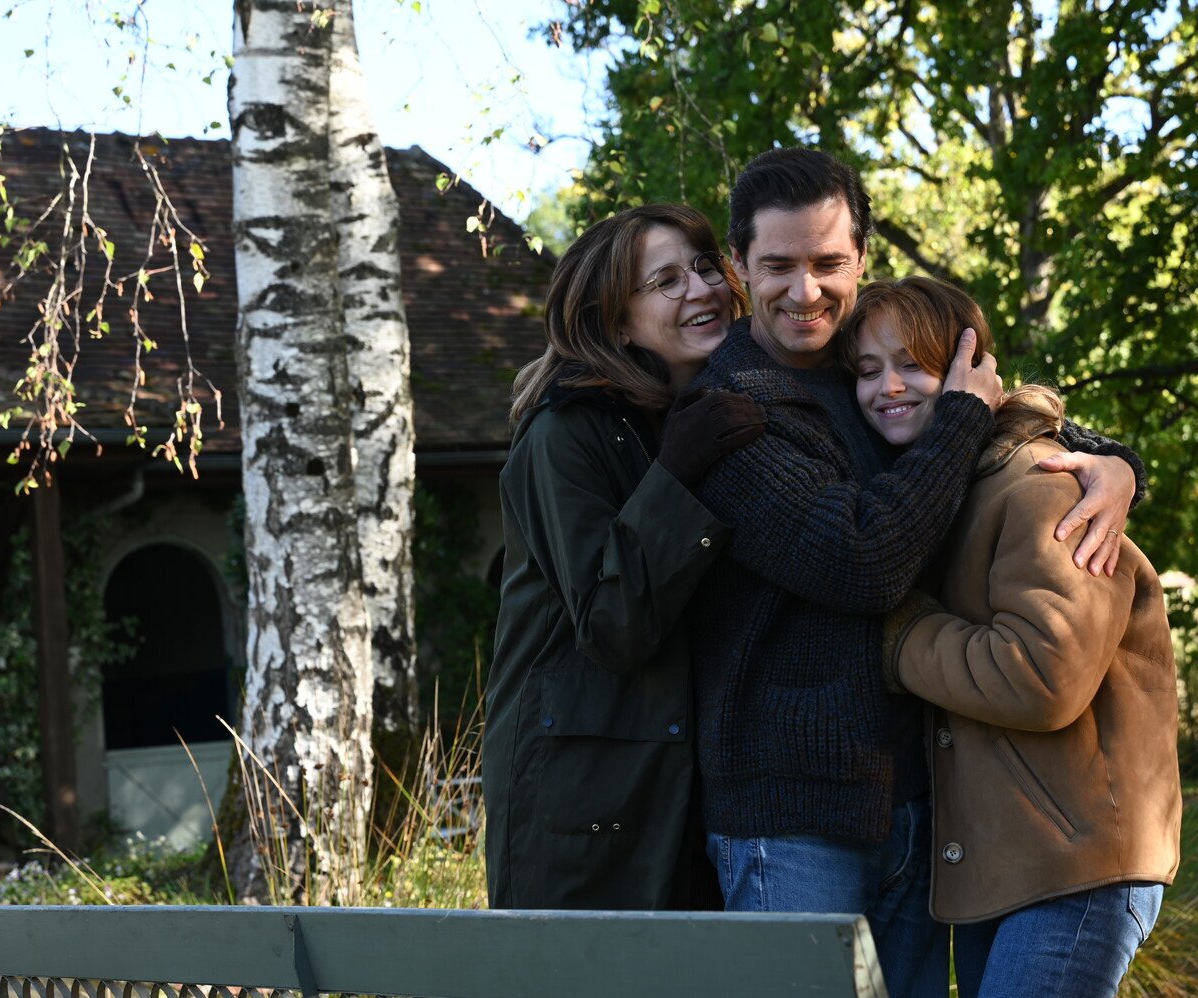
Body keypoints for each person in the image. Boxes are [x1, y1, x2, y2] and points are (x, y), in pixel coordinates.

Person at [686, 148, 1147, 996]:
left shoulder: (866, 368)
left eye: (828, 262)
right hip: (792, 822)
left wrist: (1113, 463)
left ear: (861, 257)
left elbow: (995, 435)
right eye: (778, 265)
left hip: (922, 812)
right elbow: (862, 561)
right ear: (739, 266)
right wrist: (964, 416)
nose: (805, 290)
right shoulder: (728, 412)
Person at [855, 276, 1182, 997]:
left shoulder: (1041, 484)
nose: (888, 387)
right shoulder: (948, 490)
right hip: (1007, 865)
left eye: (912, 364)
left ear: (970, 369)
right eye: (868, 369)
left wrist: (903, 636)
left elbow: (1042, 676)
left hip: (1077, 865)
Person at [482, 203, 768, 910]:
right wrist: (676, 475)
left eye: (705, 266)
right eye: (666, 281)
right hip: (583, 808)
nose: (702, 289)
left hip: (687, 797)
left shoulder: (694, 410)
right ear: (614, 323)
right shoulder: (563, 435)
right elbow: (613, 622)